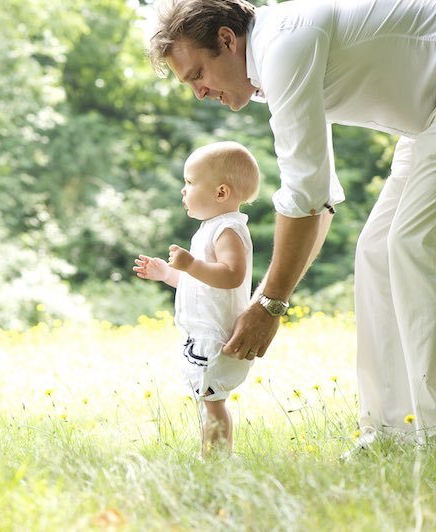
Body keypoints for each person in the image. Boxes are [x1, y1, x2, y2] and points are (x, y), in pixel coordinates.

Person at [148, 0, 436, 451]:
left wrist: (269, 306)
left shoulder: (284, 46)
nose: (199, 92)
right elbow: (319, 202)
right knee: (376, 252)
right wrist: (270, 301)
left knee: (411, 245)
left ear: (227, 40)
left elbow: (304, 195)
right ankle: (392, 431)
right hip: (423, 125)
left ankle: (432, 433)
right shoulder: (273, 61)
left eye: (198, 74)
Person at [134, 141, 260, 454]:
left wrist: (191, 264)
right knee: (207, 400)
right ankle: (214, 455)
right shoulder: (209, 228)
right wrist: (167, 274)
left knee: (212, 401)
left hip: (217, 336)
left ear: (221, 192)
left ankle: (216, 460)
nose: (183, 190)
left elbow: (232, 275)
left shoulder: (227, 230)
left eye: (190, 183)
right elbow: (200, 283)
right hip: (200, 334)